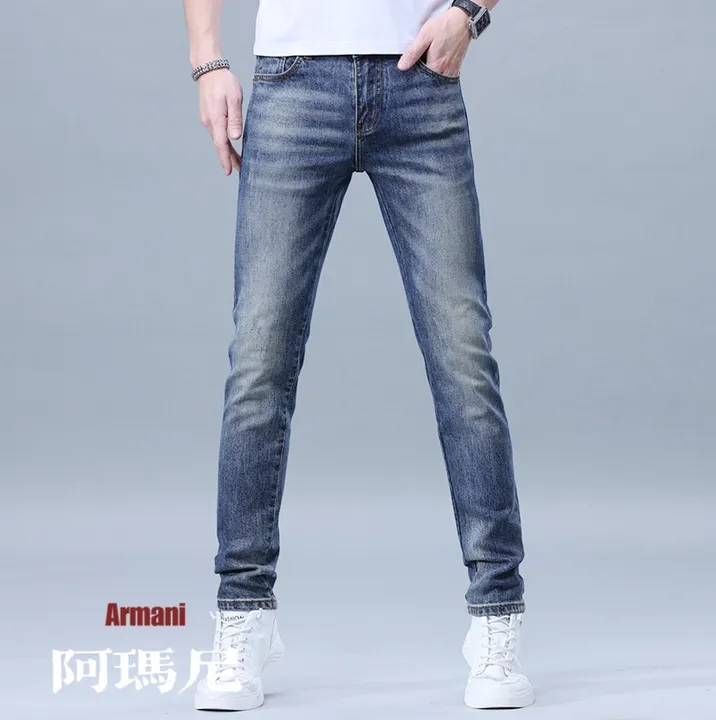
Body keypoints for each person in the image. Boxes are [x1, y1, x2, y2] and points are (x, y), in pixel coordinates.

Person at [183, 0, 533, 711]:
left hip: (420, 84)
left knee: (464, 360)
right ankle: (243, 614)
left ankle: (498, 618)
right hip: (292, 83)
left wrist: (470, 12)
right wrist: (208, 60)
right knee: (259, 363)